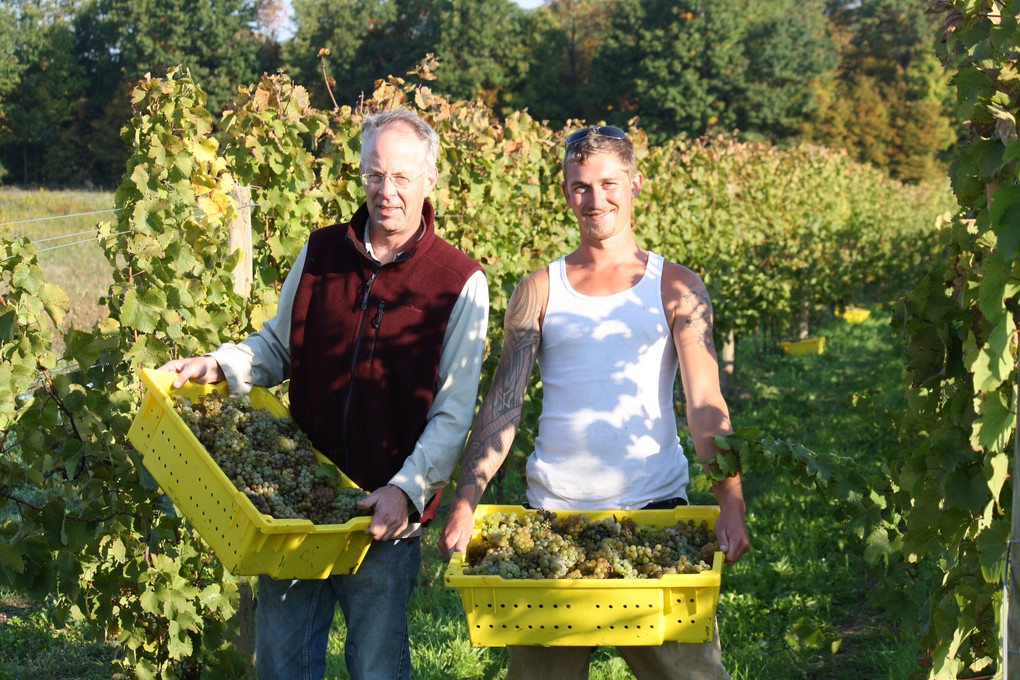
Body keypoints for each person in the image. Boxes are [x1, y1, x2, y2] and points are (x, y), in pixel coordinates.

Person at [160, 108, 489, 680]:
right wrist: (219, 365)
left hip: (383, 516)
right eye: (375, 175)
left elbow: (453, 411)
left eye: (402, 177)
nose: (387, 192)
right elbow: (278, 346)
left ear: (430, 180)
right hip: (296, 510)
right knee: (284, 664)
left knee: (376, 666)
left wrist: (406, 491)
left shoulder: (458, 282)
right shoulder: (321, 254)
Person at [439, 125, 749, 680]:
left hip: (656, 520)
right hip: (551, 528)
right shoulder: (538, 289)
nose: (595, 199)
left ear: (635, 185)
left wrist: (731, 499)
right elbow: (504, 405)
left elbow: (705, 403)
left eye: (608, 183)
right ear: (565, 190)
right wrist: (467, 496)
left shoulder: (676, 287)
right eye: (581, 186)